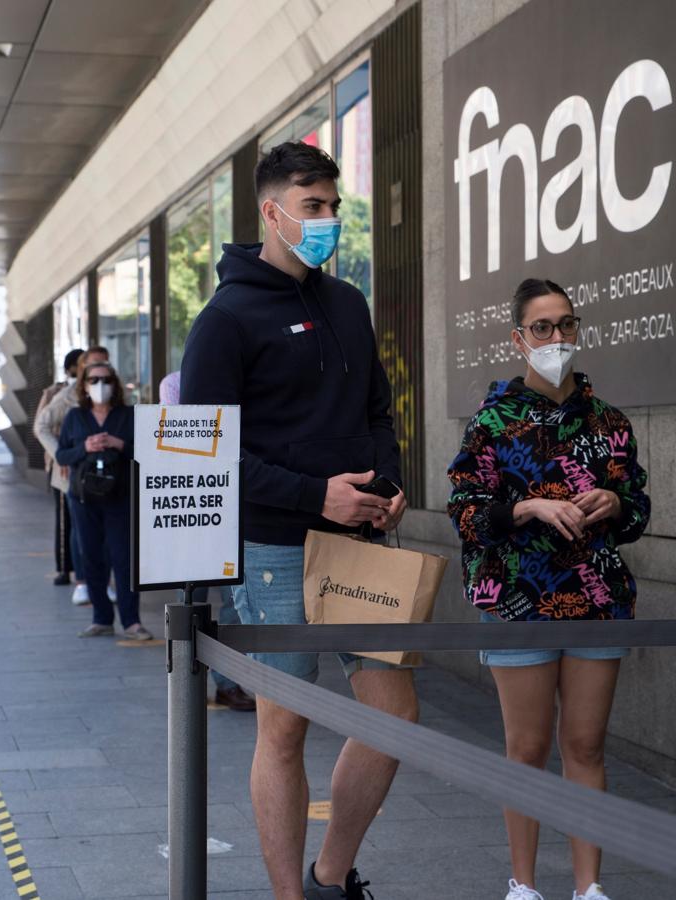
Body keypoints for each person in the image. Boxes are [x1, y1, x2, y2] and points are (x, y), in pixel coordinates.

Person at [181, 141, 411, 900]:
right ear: (271, 212)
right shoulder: (225, 320)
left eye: (334, 208)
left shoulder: (346, 302)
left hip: (363, 544)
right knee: (284, 729)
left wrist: (390, 481)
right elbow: (208, 458)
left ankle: (328, 875)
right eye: (312, 208)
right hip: (278, 550)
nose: (327, 222)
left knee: (393, 718)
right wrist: (319, 497)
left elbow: (378, 409)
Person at [447, 279, 650, 900]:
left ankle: (589, 887)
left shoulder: (609, 422)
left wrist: (616, 501)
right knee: (528, 746)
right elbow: (465, 512)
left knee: (585, 744)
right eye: (542, 327)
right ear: (519, 339)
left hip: (598, 601)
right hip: (517, 602)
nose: (557, 338)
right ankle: (524, 885)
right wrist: (528, 507)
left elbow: (639, 510)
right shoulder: (491, 423)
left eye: (566, 324)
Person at [159, 370, 256, 712]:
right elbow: (184, 443)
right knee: (190, 603)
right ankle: (186, 680)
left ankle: (228, 684)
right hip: (195, 513)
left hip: (234, 514)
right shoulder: (174, 383)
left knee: (233, 604)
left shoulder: (247, 381)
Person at [55, 362, 150, 641]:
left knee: (124, 559)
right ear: (84, 385)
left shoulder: (128, 415)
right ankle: (101, 618)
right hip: (84, 498)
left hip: (120, 497)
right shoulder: (75, 417)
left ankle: (132, 621)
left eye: (106, 379)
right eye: (94, 380)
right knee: (91, 557)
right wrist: (85, 447)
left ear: (115, 384)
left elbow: (146, 451)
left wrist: (119, 444)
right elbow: (61, 456)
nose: (100, 385)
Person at [37, 346, 112, 606]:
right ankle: (82, 582)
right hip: (74, 474)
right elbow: (41, 425)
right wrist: (61, 454)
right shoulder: (67, 397)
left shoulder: (115, 398)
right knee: (79, 530)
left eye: (104, 363)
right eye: (94, 365)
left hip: (108, 477)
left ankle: (102, 583)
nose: (100, 370)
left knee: (105, 533)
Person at [35, 349, 85, 592]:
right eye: (81, 364)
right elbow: (40, 426)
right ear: (71, 368)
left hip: (87, 468)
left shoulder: (98, 392)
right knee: (65, 520)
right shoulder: (57, 394)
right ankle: (65, 568)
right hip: (62, 466)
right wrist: (60, 455)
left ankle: (85, 572)